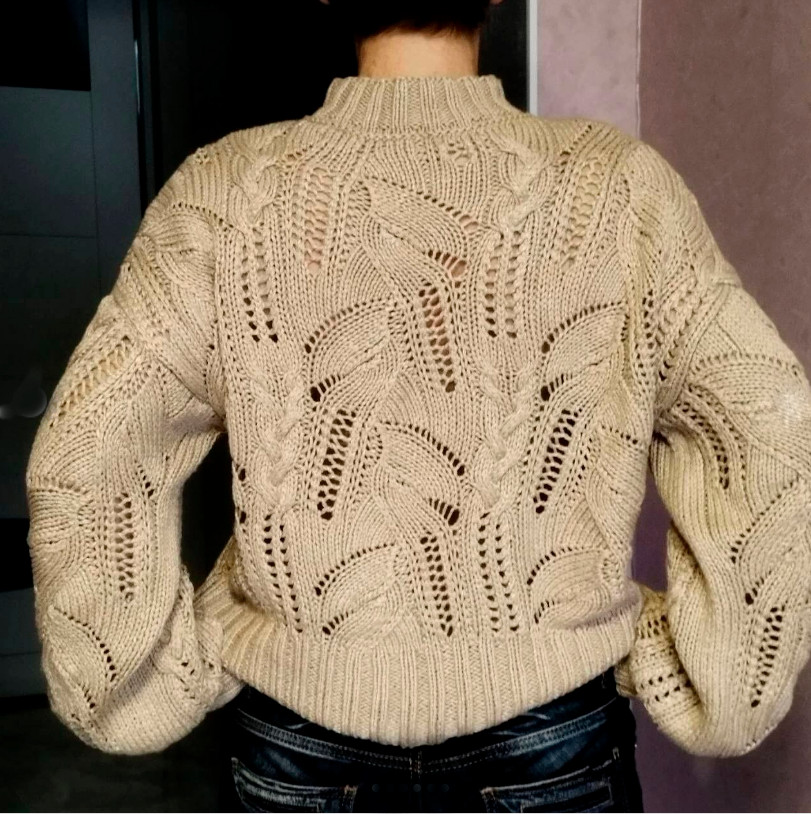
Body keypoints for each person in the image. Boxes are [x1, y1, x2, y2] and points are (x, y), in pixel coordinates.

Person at [24, 0, 811, 811]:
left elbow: (92, 444)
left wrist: (141, 679)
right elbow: (764, 413)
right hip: (551, 738)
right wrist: (716, 672)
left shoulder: (226, 192)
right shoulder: (617, 186)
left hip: (300, 737)